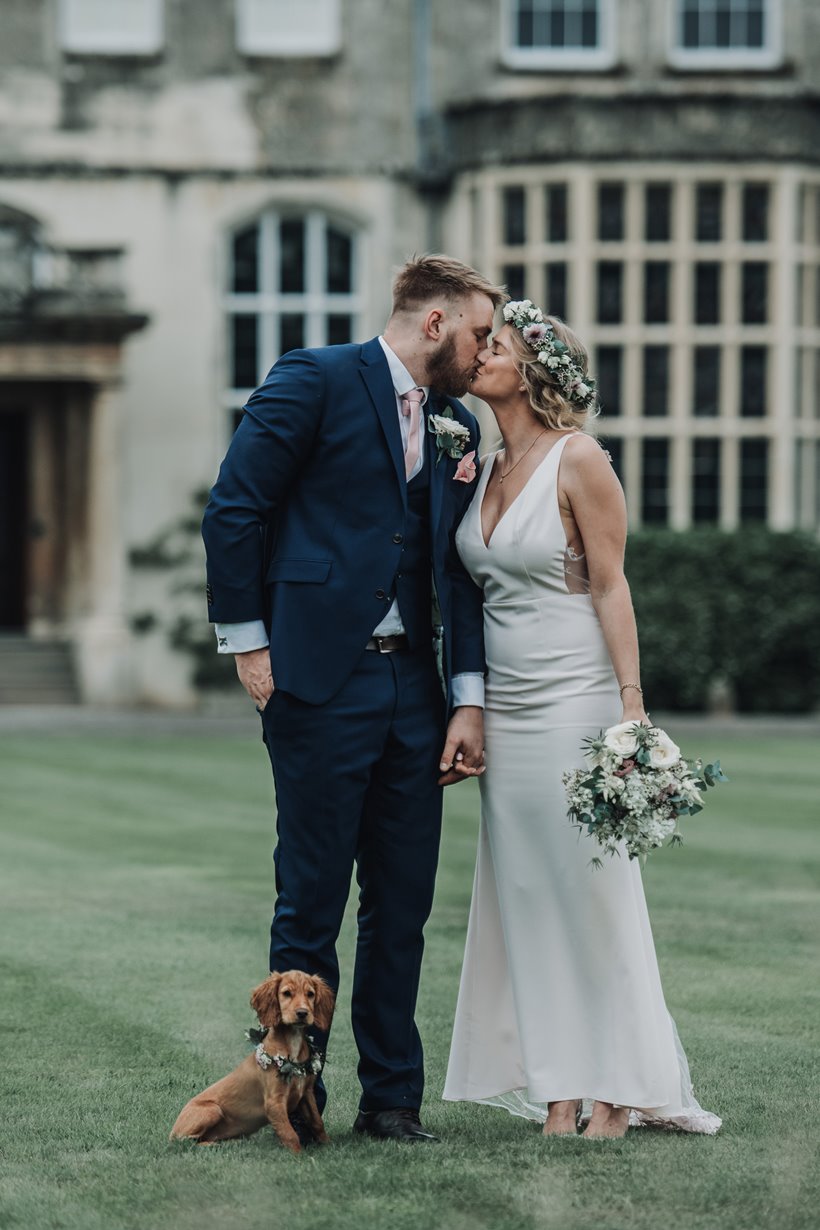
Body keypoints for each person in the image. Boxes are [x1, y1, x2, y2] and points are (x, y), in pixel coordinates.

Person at [202, 255, 506, 1144]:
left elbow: (458, 574)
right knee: (310, 897)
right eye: (481, 333)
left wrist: (467, 699)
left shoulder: (455, 426)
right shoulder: (316, 377)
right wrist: (248, 642)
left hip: (415, 689)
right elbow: (236, 507)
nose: (488, 353)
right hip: (316, 681)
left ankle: (394, 1098)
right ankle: (300, 1095)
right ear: (438, 323)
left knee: (403, 899)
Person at [442, 300, 721, 1138]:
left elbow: (610, 584)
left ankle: (621, 1088)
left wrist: (631, 712)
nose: (479, 351)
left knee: (593, 895)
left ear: (534, 370)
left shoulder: (581, 459)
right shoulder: (478, 466)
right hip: (508, 707)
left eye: (495, 344)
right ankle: (558, 1089)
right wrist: (473, 703)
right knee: (523, 894)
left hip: (576, 700)